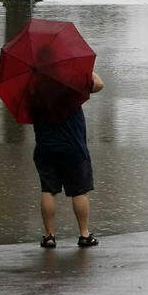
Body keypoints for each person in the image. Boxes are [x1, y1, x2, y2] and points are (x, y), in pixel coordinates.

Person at [31, 69, 104, 249]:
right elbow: (99, 84)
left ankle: (49, 237)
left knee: (48, 190)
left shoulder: (32, 89)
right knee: (79, 191)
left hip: (45, 147)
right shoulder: (71, 83)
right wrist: (85, 70)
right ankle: (84, 235)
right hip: (73, 147)